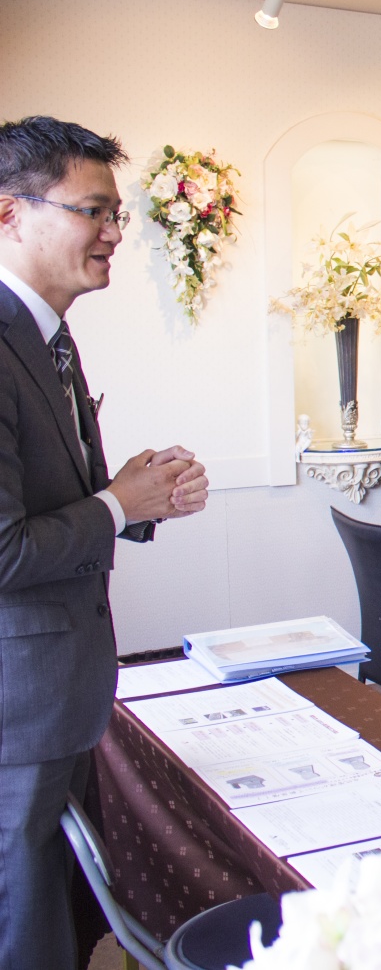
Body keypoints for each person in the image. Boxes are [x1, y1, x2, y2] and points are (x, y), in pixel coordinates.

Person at [0, 116, 210, 970]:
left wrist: (134, 493)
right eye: (94, 211)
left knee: (59, 917)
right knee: (25, 926)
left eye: (115, 213)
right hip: (18, 707)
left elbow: (60, 500)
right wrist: (118, 506)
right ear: (10, 213)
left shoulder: (45, 334)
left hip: (64, 693)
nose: (115, 233)